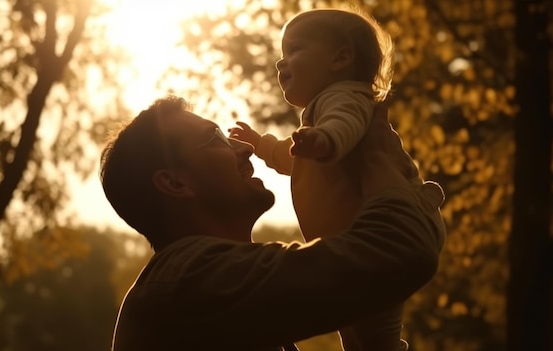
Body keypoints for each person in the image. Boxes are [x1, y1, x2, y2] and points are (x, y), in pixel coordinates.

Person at [100, 96, 445, 351]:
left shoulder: (206, 286)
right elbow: (401, 250)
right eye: (215, 139)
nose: (243, 148)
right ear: (176, 184)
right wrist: (377, 159)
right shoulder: (192, 280)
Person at [228, 7, 446, 351]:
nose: (280, 64)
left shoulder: (345, 97)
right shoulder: (320, 114)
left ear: (341, 58)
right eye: (282, 55)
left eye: (295, 51)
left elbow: (346, 124)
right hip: (366, 239)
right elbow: (293, 158)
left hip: (393, 227)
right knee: (359, 331)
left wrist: (326, 140)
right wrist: (261, 144)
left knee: (372, 332)